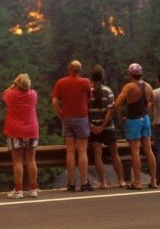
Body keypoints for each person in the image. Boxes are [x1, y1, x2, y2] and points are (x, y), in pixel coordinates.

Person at [51, 60, 94, 191]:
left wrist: (61, 115)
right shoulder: (85, 82)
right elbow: (89, 98)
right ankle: (84, 182)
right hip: (81, 118)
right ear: (80, 70)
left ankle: (71, 183)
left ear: (69, 69)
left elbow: (54, 102)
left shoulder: (61, 82)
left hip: (68, 118)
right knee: (82, 150)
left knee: (70, 151)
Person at [115, 63, 157, 190]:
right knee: (149, 150)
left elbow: (117, 103)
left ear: (130, 73)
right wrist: (145, 108)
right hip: (145, 119)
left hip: (133, 120)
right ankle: (153, 180)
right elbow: (152, 99)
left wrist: (120, 117)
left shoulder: (129, 87)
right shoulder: (148, 86)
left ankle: (137, 182)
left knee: (135, 151)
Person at [2, 73, 39, 198]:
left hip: (15, 131)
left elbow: (3, 94)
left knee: (17, 161)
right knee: (31, 160)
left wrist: (13, 85)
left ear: (17, 84)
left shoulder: (11, 95)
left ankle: (18, 190)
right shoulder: (33, 95)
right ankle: (33, 189)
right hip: (32, 130)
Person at [88, 65, 126, 189]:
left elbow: (85, 110)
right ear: (103, 77)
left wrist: (92, 125)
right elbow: (111, 110)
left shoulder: (88, 91)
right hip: (108, 127)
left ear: (92, 77)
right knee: (114, 153)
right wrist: (103, 126)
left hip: (94, 128)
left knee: (97, 155)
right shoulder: (108, 91)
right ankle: (121, 180)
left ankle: (103, 182)